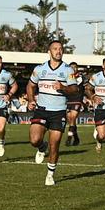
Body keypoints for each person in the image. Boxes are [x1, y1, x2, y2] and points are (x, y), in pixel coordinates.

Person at [27, 39, 78, 186]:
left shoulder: (68, 70)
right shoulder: (39, 69)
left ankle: (50, 174)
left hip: (58, 112)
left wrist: (63, 87)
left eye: (61, 49)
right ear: (49, 52)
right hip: (41, 110)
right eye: (55, 49)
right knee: (34, 140)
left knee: (54, 144)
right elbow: (30, 86)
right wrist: (31, 100)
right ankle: (41, 147)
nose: (58, 51)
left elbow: (75, 89)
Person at [65, 61, 84, 146]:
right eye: (71, 67)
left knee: (72, 118)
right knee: (70, 120)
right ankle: (76, 139)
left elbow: (75, 84)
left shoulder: (79, 77)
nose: (73, 69)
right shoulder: (67, 76)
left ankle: (69, 138)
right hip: (68, 100)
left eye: (75, 67)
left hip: (77, 99)